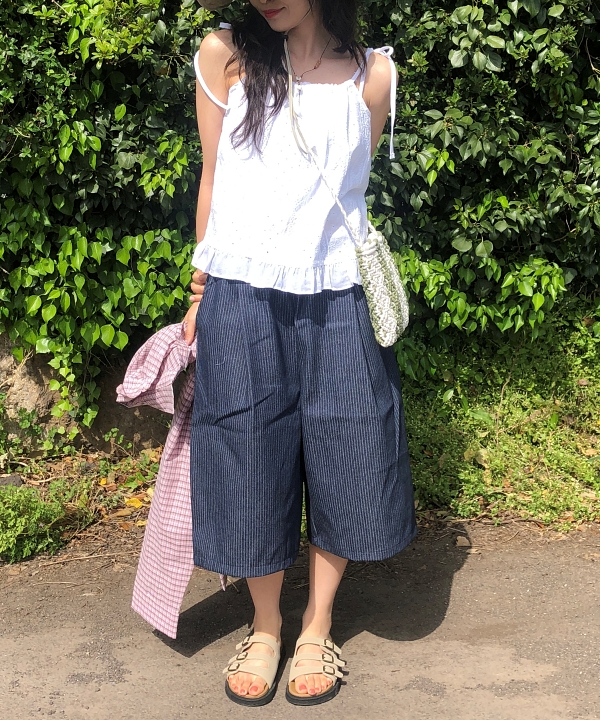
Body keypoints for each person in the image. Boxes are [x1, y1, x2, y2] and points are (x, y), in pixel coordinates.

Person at [182, 0, 417, 707]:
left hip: (339, 293)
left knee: (347, 450)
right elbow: (213, 179)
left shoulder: (372, 76)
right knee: (247, 451)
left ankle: (316, 626)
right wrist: (198, 291)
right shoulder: (224, 56)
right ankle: (265, 626)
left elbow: (348, 189)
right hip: (241, 292)